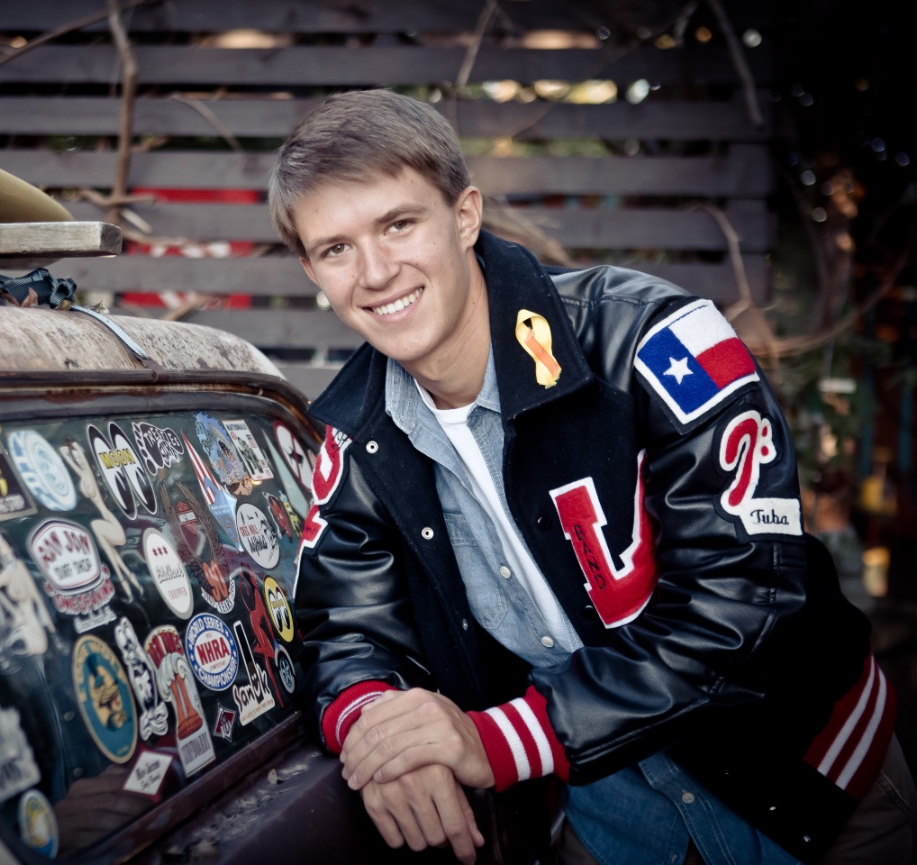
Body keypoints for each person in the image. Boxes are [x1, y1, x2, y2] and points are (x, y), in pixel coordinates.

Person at [268, 89, 915, 865]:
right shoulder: (354, 432)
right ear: (311, 268)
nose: (374, 272)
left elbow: (744, 599)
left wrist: (489, 740)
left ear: (465, 215)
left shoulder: (655, 342)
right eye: (335, 248)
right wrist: (382, 737)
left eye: (398, 223)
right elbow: (343, 626)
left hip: (808, 788)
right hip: (613, 824)